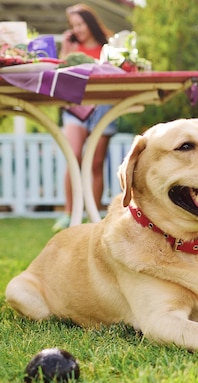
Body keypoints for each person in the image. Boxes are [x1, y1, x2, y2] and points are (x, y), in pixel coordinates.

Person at [52, 3, 118, 232]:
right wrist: (66, 50)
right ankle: (69, 213)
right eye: (73, 26)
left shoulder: (107, 48)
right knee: (74, 157)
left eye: (80, 24)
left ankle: (94, 214)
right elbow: (60, 75)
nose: (77, 29)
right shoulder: (72, 48)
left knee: (97, 163)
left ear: (89, 23)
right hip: (76, 105)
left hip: (104, 106)